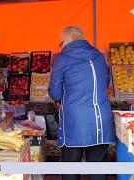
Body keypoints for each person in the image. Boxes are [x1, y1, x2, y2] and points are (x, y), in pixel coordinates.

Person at [48, 26, 115, 180]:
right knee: (98, 167)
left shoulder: (62, 59)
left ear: (68, 39)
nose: (62, 46)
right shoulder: (98, 56)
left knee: (71, 166)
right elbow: (105, 82)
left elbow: (55, 92)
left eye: (61, 43)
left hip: (74, 122)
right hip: (100, 120)